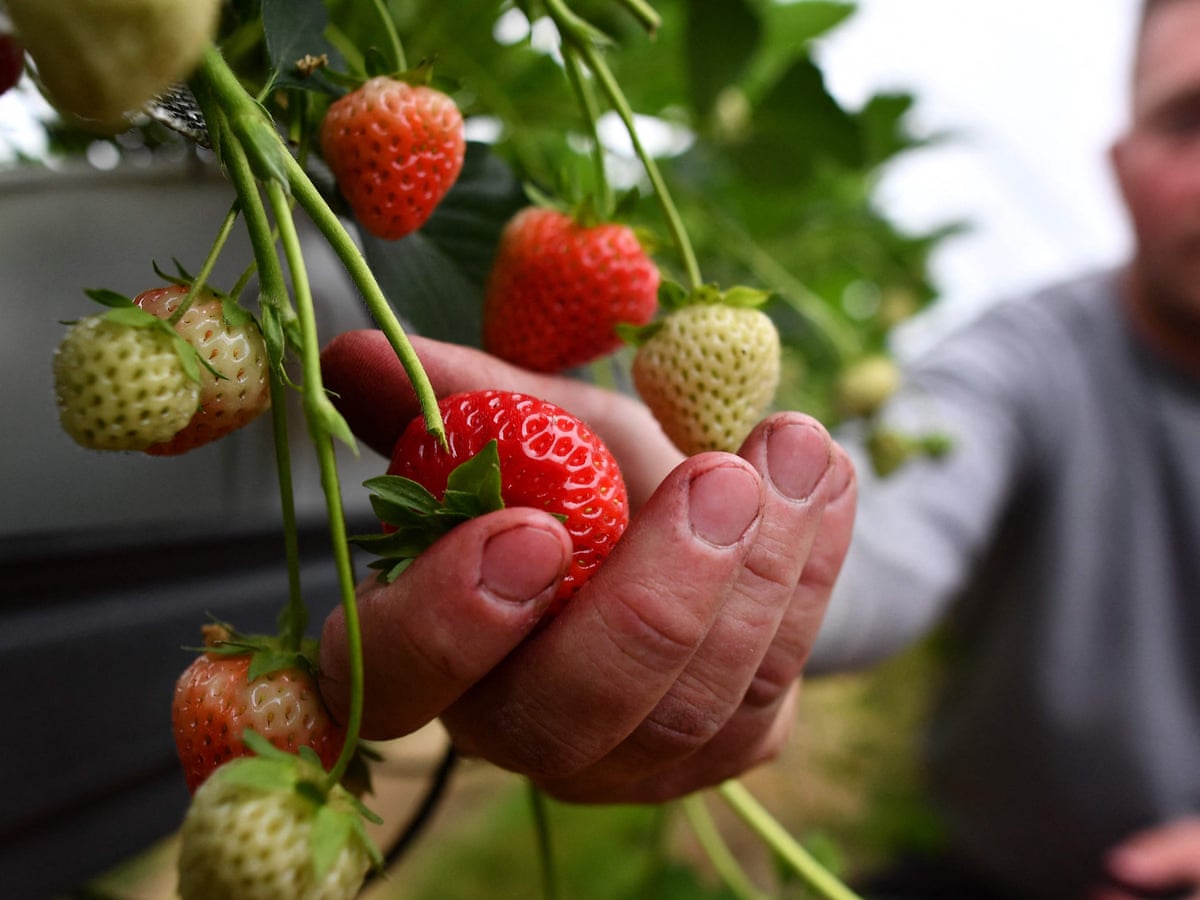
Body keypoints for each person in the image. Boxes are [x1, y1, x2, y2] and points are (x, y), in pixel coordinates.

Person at [317, 0, 1199, 897]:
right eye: (1188, 118)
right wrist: (746, 552)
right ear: (1121, 167)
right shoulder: (1031, 359)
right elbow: (895, 541)